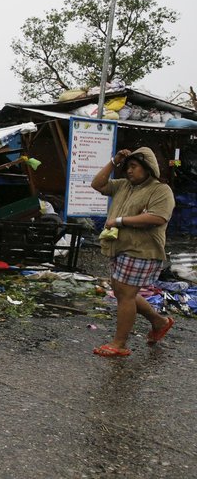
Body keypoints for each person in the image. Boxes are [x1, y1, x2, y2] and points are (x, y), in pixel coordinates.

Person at [90, 146, 176, 357]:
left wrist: (119, 221)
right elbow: (97, 184)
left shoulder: (160, 190)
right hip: (120, 247)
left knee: (126, 295)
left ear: (148, 168)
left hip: (141, 249)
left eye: (134, 166)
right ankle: (159, 321)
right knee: (121, 291)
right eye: (127, 167)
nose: (129, 170)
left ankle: (119, 344)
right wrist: (114, 161)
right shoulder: (123, 186)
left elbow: (158, 217)